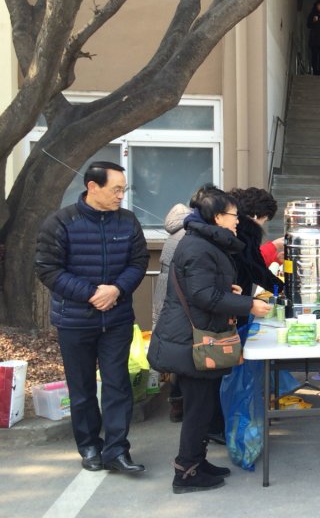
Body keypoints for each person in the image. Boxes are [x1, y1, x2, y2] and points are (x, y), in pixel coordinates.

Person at [148, 189, 272, 493]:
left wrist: (229, 289)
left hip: (199, 335)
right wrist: (248, 305)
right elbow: (202, 296)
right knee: (198, 409)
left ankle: (197, 461)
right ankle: (186, 473)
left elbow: (204, 287)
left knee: (203, 406)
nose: (237, 221)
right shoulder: (198, 246)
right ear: (217, 217)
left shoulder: (206, 243)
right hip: (191, 339)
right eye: (233, 216)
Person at [35, 161, 149, 474]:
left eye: (124, 190)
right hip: (74, 320)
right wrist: (91, 294)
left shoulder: (127, 221)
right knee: (82, 388)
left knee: (118, 385)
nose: (121, 196)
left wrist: (116, 289)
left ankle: (117, 450)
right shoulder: (61, 222)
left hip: (117, 318)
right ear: (92, 187)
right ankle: (89, 447)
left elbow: (138, 262)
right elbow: (48, 269)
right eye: (116, 189)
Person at [154, 202, 192, 423]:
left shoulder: (173, 234)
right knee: (182, 356)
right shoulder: (187, 235)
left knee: (172, 353)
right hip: (178, 301)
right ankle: (180, 404)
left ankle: (175, 403)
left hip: (164, 296)